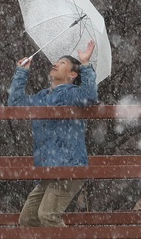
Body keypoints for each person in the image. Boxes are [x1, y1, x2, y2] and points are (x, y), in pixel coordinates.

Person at [7, 40, 98, 227]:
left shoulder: (72, 93)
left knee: (47, 215)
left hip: (69, 168)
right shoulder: (42, 96)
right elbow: (15, 106)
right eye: (57, 61)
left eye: (62, 63)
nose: (56, 64)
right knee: (28, 219)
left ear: (73, 75)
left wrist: (86, 64)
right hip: (48, 170)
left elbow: (90, 96)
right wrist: (22, 72)